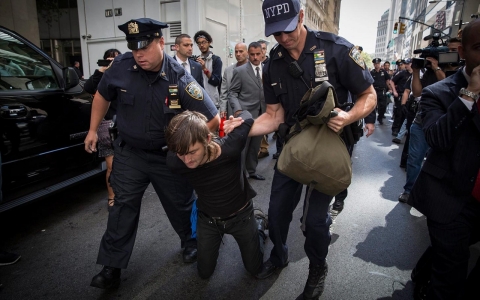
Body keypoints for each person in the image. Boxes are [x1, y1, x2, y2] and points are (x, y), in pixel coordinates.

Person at [225, 1, 376, 298]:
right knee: (278, 213)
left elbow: (368, 95)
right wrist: (241, 127)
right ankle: (279, 256)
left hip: (330, 146)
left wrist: (348, 116)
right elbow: (274, 115)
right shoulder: (273, 65)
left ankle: (317, 267)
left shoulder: (336, 49)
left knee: (315, 222)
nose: (284, 38)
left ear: (302, 16)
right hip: (293, 147)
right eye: (276, 33)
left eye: (288, 29)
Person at [84, 18, 219, 290]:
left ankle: (190, 240)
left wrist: (187, 146)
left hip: (167, 155)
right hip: (130, 153)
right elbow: (101, 95)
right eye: (134, 48)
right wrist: (92, 129)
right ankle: (111, 266)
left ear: (161, 43)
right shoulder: (121, 66)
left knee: (180, 202)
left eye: (144, 47)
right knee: (122, 206)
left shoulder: (180, 77)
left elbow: (212, 118)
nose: (139, 54)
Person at [408, 19, 480, 299]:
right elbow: (437, 139)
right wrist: (470, 94)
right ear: (462, 52)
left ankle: (427, 267)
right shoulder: (438, 93)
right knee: (449, 280)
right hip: (451, 200)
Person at [165, 110, 268, 279]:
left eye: (192, 152)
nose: (187, 160)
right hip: (209, 221)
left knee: (255, 270)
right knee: (204, 273)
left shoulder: (231, 147)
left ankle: (259, 226)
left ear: (206, 139)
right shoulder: (175, 162)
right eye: (181, 153)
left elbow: (248, 115)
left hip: (242, 217)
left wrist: (237, 119)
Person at [84, 48, 121, 208]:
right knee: (111, 165)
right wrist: (103, 70)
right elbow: (88, 87)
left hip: (126, 124)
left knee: (129, 165)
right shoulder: (102, 77)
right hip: (107, 127)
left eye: (116, 59)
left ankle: (125, 196)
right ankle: (112, 197)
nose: (112, 61)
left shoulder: (126, 76)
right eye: (109, 59)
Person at [228, 42, 266, 181]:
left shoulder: (267, 69)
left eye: (258, 54)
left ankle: (251, 170)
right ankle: (239, 174)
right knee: (243, 146)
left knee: (255, 144)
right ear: (248, 54)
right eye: (252, 54)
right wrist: (238, 110)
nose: (255, 57)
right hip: (245, 114)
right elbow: (232, 93)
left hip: (262, 114)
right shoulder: (240, 71)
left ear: (262, 53)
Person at [194, 30, 225, 118]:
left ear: (209, 42)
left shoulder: (216, 60)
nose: (201, 45)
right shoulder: (196, 60)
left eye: (204, 42)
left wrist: (204, 69)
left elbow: (216, 81)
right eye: (199, 43)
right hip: (199, 99)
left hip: (213, 101)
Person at [220, 43, 249, 119]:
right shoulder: (228, 71)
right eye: (236, 52)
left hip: (249, 111)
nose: (238, 54)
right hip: (232, 112)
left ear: (247, 52)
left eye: (241, 51)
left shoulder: (253, 69)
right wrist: (223, 109)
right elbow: (224, 92)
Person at [371, 58, 397, 124]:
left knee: (383, 106)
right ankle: (372, 120)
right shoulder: (371, 72)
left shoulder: (383, 72)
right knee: (373, 106)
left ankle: (380, 118)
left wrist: (390, 89)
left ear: (379, 64)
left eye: (378, 63)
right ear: (374, 64)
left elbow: (387, 81)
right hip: (374, 91)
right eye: (375, 64)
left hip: (382, 91)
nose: (377, 65)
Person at [391, 59, 412, 136]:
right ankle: (395, 129)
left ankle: (404, 130)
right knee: (399, 113)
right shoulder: (402, 73)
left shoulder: (416, 74)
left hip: (410, 97)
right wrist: (394, 91)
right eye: (405, 64)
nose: (406, 65)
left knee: (407, 114)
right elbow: (392, 81)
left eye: (407, 64)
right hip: (401, 95)